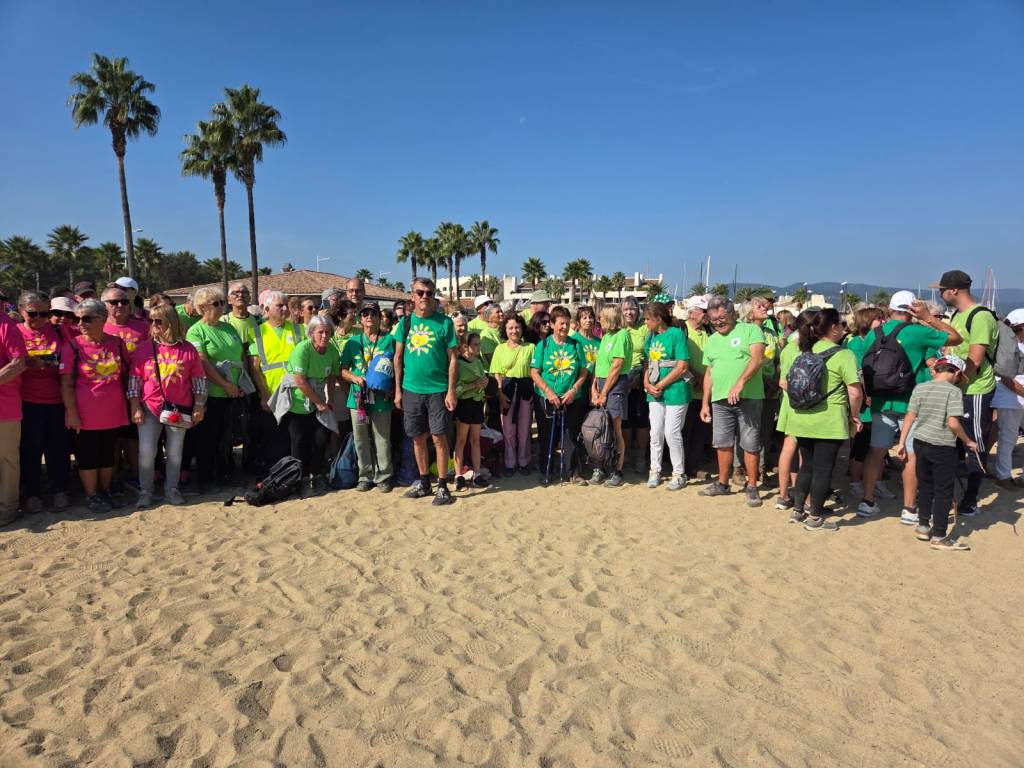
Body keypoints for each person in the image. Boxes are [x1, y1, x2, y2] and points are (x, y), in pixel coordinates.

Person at [858, 290, 960, 522]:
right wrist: (928, 318)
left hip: (881, 400)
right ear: (912, 309)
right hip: (911, 402)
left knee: (876, 452)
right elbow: (955, 338)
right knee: (911, 455)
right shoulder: (918, 332)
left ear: (890, 309)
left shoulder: (873, 334)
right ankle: (909, 508)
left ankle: (867, 502)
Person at [784, 308, 863, 530]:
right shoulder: (844, 355)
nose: (844, 328)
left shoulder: (804, 351)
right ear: (834, 327)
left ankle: (798, 510)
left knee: (807, 466)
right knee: (823, 469)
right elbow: (854, 392)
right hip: (829, 420)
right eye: (841, 324)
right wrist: (855, 415)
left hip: (802, 417)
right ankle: (815, 517)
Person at [931, 270, 1000, 517]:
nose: (940, 293)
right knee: (954, 442)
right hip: (959, 388)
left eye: (942, 290)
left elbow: (975, 359)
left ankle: (970, 499)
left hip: (976, 390)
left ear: (954, 290)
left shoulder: (980, 316)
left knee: (974, 443)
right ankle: (952, 493)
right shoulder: (958, 315)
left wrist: (952, 382)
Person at [128, 303, 206, 508]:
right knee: (146, 452)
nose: (153, 325)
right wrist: (135, 406)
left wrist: (199, 405)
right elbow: (135, 380)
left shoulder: (187, 349)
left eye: (158, 321)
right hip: (149, 407)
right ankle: (145, 491)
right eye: (151, 321)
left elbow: (198, 380)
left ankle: (172, 489)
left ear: (170, 322)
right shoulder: (144, 348)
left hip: (178, 409)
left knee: (174, 452)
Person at [896, 354, 976, 550]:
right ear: (957, 373)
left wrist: (901, 442)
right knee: (944, 491)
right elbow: (953, 423)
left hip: (920, 442)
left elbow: (910, 415)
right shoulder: (954, 392)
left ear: (936, 370)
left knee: (925, 486)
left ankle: (923, 526)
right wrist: (968, 441)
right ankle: (939, 535)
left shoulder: (921, 387)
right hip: (943, 446)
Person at [60, 298, 128, 513]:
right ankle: (92, 495)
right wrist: (72, 413)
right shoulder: (73, 346)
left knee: (107, 454)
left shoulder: (117, 343)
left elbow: (127, 374)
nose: (81, 323)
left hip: (113, 411)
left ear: (102, 319)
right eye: (78, 319)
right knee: (87, 456)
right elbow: (66, 384)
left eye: (87, 319)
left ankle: (105, 490)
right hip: (85, 413)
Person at [394, 277, 458, 505]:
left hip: (438, 390)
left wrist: (451, 390)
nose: (424, 297)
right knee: (418, 438)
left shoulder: (445, 323)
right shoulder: (405, 324)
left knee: (439, 438)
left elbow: (453, 359)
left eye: (429, 293)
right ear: (412, 296)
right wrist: (397, 390)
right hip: (411, 389)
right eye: (420, 292)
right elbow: (398, 358)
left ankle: (442, 486)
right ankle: (423, 482)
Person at [698, 296, 766, 507]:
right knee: (722, 442)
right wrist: (705, 402)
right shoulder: (712, 340)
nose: (718, 322)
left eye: (722, 317)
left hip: (749, 397)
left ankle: (752, 486)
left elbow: (757, 358)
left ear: (733, 314)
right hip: (720, 400)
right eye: (713, 319)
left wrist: (740, 383)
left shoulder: (750, 330)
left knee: (750, 443)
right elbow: (709, 373)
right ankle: (722, 483)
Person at [187, 287, 246, 492]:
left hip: (233, 392)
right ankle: (206, 480)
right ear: (202, 307)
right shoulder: (196, 331)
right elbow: (202, 362)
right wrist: (225, 384)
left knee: (226, 437)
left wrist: (240, 384)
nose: (222, 306)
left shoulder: (228, 328)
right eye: (216, 303)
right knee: (208, 438)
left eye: (222, 302)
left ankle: (224, 474)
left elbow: (240, 356)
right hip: (210, 394)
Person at [17, 291, 71, 513]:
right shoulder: (15, 332)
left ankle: (60, 489)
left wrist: (53, 363)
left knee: (58, 448)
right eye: (33, 314)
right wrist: (27, 363)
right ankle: (33, 493)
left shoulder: (58, 330)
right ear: (21, 311)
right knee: (30, 450)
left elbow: (70, 357)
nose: (39, 319)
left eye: (44, 313)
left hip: (57, 400)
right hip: (27, 401)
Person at [275, 315, 340, 490]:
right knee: (299, 442)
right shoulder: (302, 349)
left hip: (318, 398)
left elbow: (332, 376)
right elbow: (300, 381)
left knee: (320, 438)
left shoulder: (332, 351)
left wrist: (330, 399)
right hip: (297, 401)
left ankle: (316, 475)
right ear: (311, 333)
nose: (325, 336)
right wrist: (319, 403)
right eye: (321, 332)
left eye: (328, 332)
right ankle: (300, 480)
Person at [340, 301, 396, 492]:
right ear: (360, 318)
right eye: (365, 314)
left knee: (382, 438)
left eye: (373, 313)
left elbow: (398, 367)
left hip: (381, 396)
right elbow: (342, 370)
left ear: (380, 317)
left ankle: (384, 476)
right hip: (358, 397)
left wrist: (392, 389)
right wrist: (354, 378)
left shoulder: (389, 340)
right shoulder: (353, 342)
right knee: (360, 439)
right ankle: (365, 476)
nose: (369, 317)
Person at [530, 306, 588, 486]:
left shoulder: (576, 344)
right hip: (546, 397)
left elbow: (583, 372)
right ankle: (546, 470)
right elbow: (534, 372)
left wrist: (574, 390)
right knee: (547, 435)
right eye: (561, 323)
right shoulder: (543, 345)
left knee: (571, 436)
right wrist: (548, 392)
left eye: (567, 324)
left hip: (571, 398)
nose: (565, 327)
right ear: (552, 324)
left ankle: (573, 472)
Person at [643, 302, 691, 491]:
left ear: (658, 318)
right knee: (655, 432)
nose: (645, 322)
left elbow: (682, 366)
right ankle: (655, 469)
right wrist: (647, 384)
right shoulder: (651, 336)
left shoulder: (676, 334)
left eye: (648, 319)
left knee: (672, 432)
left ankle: (679, 473)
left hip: (676, 390)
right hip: (654, 392)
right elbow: (647, 362)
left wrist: (661, 385)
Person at [775, 309, 819, 511]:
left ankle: (784, 495)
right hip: (808, 406)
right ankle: (805, 498)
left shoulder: (789, 348)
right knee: (805, 453)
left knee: (788, 449)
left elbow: (782, 381)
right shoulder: (815, 349)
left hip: (789, 404)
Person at [844, 307, 885, 498]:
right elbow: (858, 373)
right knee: (861, 445)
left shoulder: (881, 340)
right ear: (867, 322)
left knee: (879, 446)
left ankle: (877, 482)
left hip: (880, 401)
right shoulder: (855, 344)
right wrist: (866, 394)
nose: (883, 322)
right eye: (878, 319)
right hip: (863, 404)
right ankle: (855, 482)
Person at [591, 305, 633, 486]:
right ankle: (602, 466)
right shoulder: (605, 337)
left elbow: (617, 365)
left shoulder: (622, 335)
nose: (598, 320)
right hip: (602, 383)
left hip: (615, 385)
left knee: (615, 430)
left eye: (601, 317)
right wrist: (594, 387)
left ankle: (617, 470)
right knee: (602, 428)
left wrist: (604, 392)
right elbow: (600, 365)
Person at [490, 314, 536, 476]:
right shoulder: (500, 349)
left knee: (524, 430)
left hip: (526, 392)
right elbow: (496, 373)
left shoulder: (530, 347)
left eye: (517, 327)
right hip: (507, 392)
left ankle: (524, 462)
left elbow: (535, 371)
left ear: (522, 329)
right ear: (505, 330)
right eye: (510, 328)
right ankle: (509, 463)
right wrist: (500, 395)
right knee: (508, 430)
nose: (514, 331)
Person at [0, 308, 27, 524]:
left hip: (5, 405)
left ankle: (7, 508)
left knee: (6, 458)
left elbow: (18, 364)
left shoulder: (6, 326)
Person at [992, 308, 1024, 489]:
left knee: (1008, 437)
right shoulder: (1005, 345)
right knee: (1008, 438)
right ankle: (1003, 475)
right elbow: (1004, 376)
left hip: (1013, 395)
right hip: (1009, 396)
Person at [454, 332, 490, 489]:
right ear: (465, 346)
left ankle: (477, 474)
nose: (478, 347)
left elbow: (482, 379)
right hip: (464, 403)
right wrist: (473, 385)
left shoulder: (478, 361)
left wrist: (485, 382)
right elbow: (455, 389)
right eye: (475, 344)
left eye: (479, 344)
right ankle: (458, 475)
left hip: (477, 403)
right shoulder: (459, 363)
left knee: (476, 440)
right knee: (461, 440)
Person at [619, 297, 650, 474]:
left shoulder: (644, 328)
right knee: (625, 420)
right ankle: (626, 454)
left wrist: (642, 377)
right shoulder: (618, 328)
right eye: (625, 309)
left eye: (632, 309)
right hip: (621, 378)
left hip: (640, 377)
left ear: (638, 311)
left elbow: (649, 354)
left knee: (641, 419)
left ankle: (641, 457)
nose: (629, 312)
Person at [682, 295, 711, 478]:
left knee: (700, 432)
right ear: (692, 313)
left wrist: (706, 380)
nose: (706, 314)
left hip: (705, 391)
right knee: (685, 431)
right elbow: (681, 359)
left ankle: (694, 465)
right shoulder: (682, 330)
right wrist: (697, 378)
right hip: (688, 389)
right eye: (703, 311)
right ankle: (683, 466)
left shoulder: (709, 332)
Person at [102, 286, 148, 355]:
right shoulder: (99, 327)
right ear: (103, 305)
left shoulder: (144, 325)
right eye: (114, 302)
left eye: (124, 302)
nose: (120, 305)